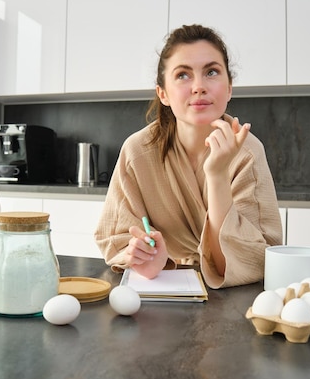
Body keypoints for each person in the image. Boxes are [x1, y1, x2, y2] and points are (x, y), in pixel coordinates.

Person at [94, 24, 282, 289]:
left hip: (234, 297)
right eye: (183, 75)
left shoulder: (247, 152)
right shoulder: (137, 151)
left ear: (229, 88)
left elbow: (249, 259)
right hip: (161, 290)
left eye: (212, 72)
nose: (199, 87)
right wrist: (144, 256)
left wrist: (217, 176)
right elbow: (117, 238)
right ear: (163, 94)